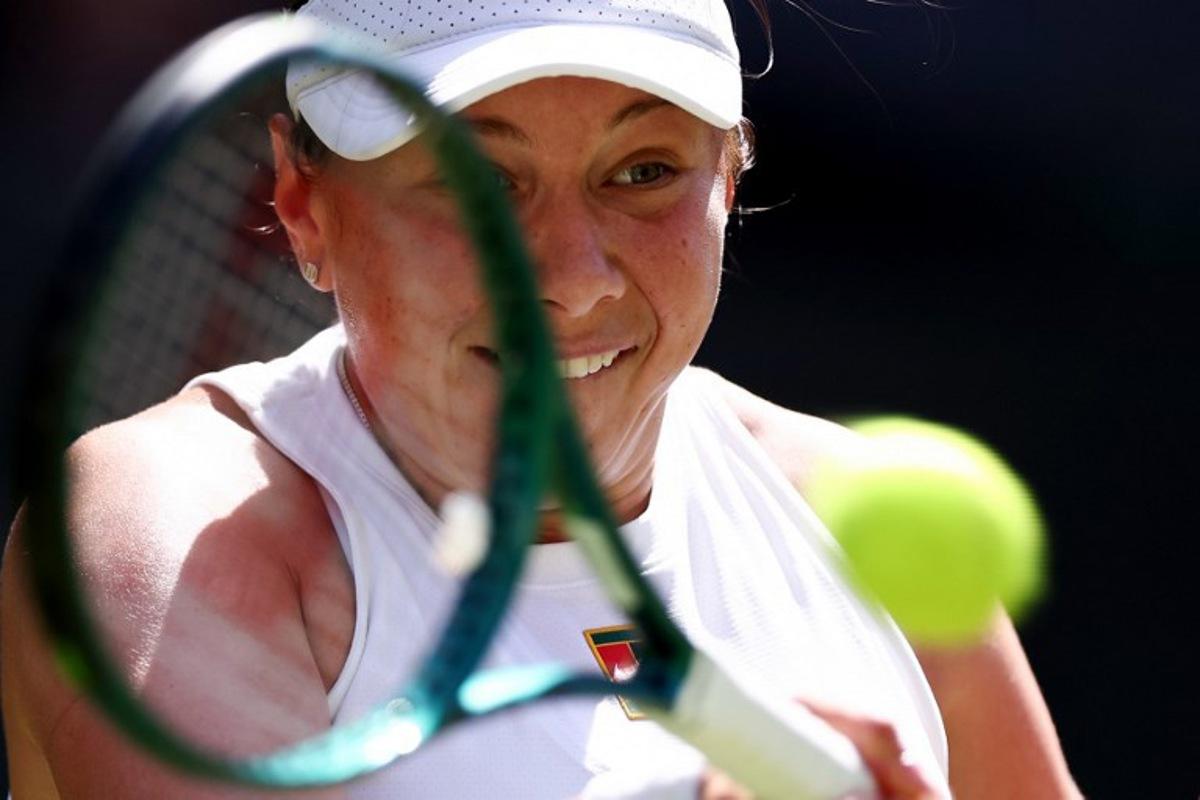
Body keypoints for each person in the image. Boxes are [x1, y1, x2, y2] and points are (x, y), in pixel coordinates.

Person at [1, 0, 1081, 797]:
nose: (571, 277)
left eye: (644, 170)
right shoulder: (165, 528)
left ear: (730, 179)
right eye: (478, 180)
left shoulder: (859, 518)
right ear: (304, 202)